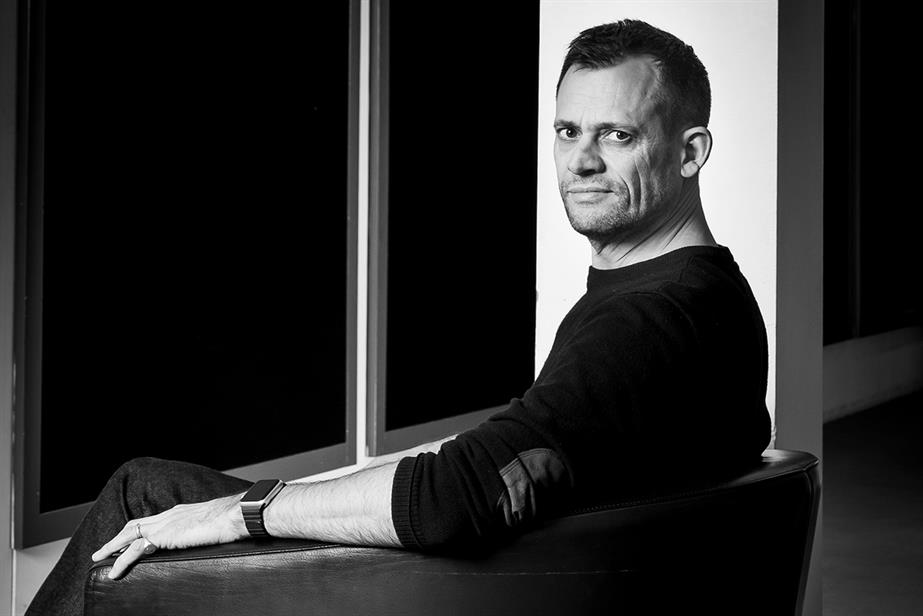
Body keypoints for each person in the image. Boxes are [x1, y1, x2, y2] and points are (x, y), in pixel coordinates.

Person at [27, 19, 770, 615]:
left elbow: (458, 494)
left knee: (142, 493)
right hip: (520, 574)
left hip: (457, 592)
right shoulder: (698, 296)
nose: (579, 162)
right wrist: (337, 484)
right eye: (568, 131)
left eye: (617, 135)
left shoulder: (650, 323)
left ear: (689, 152)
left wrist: (242, 513)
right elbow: (523, 442)